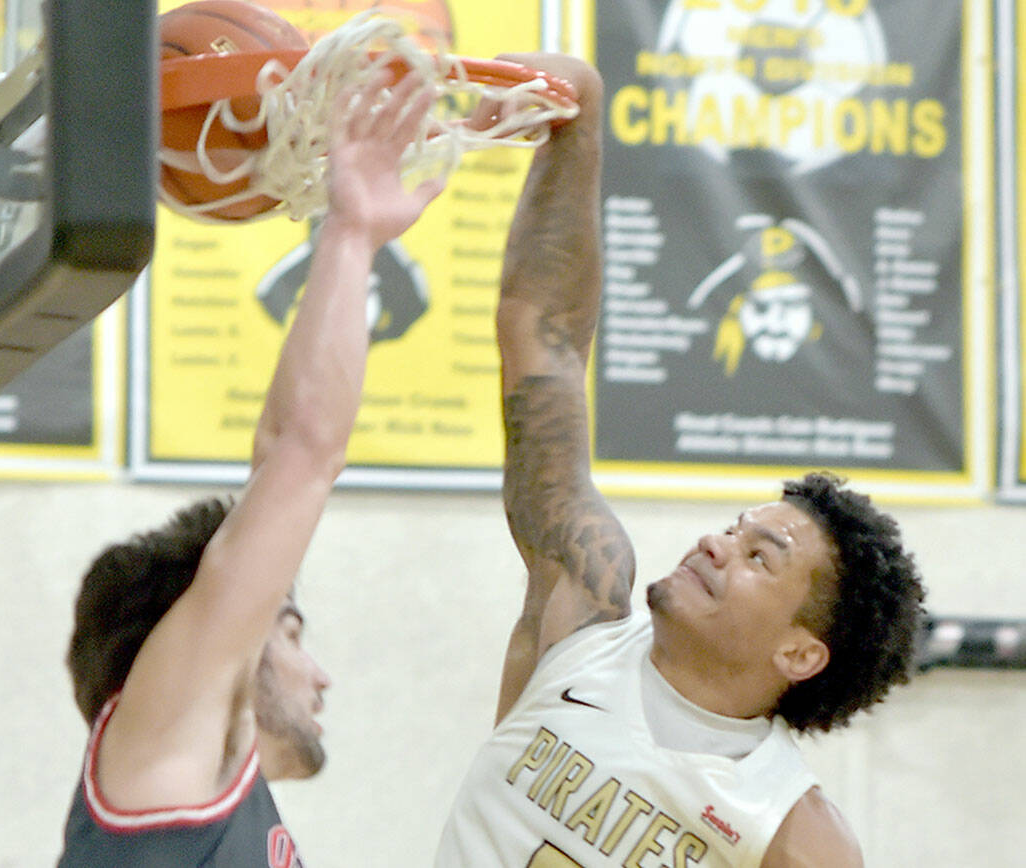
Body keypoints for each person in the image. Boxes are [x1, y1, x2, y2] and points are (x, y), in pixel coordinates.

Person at [435, 54, 927, 868]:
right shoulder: (579, 615)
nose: (717, 545)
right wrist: (578, 118)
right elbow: (543, 338)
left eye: (758, 558)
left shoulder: (793, 835)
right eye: (737, 531)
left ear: (800, 654)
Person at [57, 70, 444, 867]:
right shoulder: (160, 747)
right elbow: (299, 457)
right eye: (291, 632)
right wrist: (349, 235)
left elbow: (285, 456)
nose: (322, 676)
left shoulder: (203, 789)